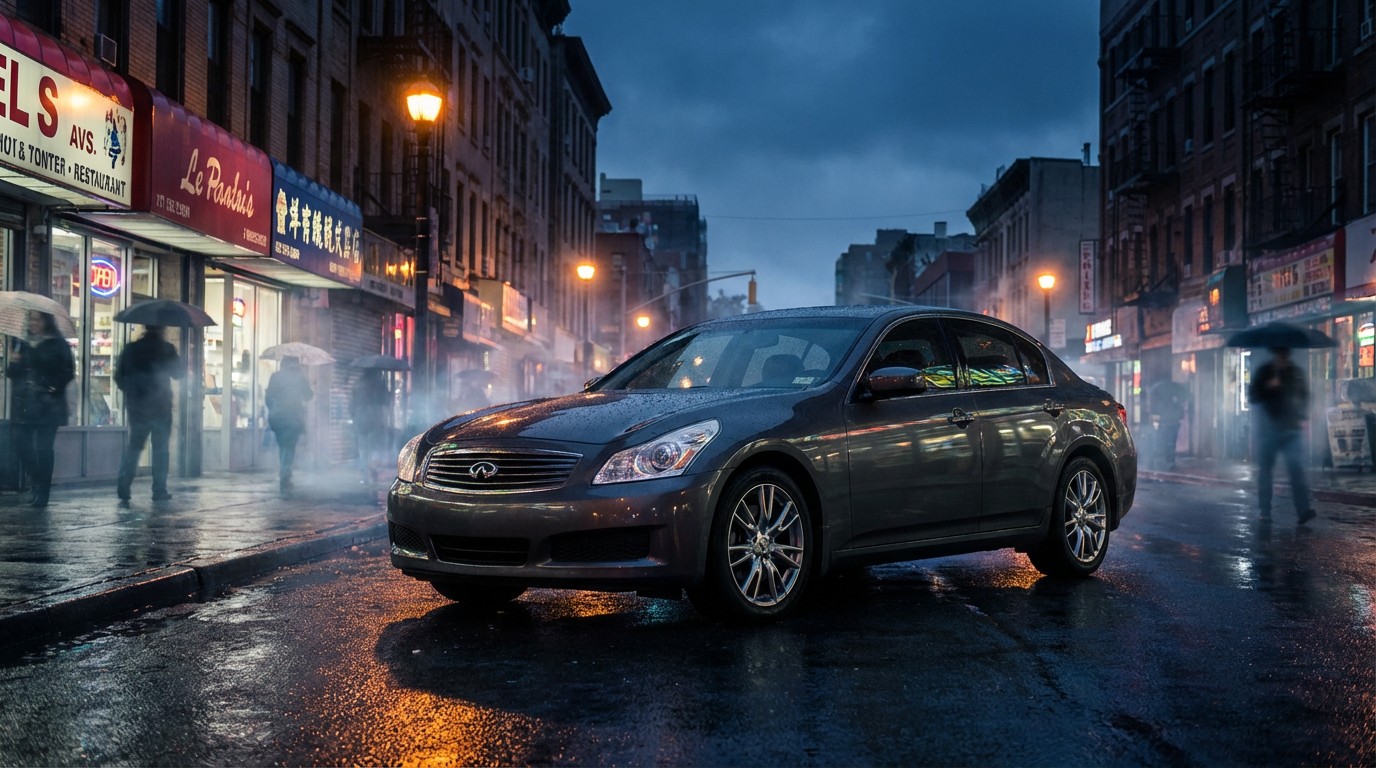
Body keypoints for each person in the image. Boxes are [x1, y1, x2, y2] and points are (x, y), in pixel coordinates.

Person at [5, 311, 75, 507]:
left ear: (46, 321)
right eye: (32, 320)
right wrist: (14, 361)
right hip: (25, 404)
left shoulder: (58, 344)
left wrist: (54, 387)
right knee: (20, 445)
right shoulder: (23, 343)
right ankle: (38, 479)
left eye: (37, 319)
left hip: (48, 404)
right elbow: (12, 374)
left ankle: (43, 490)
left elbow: (68, 371)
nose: (33, 323)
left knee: (44, 448)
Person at [115, 325, 184, 503]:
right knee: (161, 450)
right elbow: (179, 373)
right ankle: (159, 490)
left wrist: (132, 393)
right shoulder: (166, 349)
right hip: (161, 407)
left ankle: (124, 485)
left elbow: (119, 376)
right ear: (161, 329)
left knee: (134, 447)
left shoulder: (131, 349)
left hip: (137, 407)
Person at [1248, 346, 1315, 524]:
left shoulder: (1295, 372)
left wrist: (1302, 414)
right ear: (1275, 355)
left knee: (1296, 469)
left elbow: (1305, 395)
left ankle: (1303, 510)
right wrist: (1268, 387)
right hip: (1268, 429)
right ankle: (1265, 511)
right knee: (1266, 471)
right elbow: (1253, 396)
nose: (1283, 359)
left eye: (1285, 355)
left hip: (1291, 428)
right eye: (1280, 355)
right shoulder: (1265, 372)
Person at [265, 356, 313, 493]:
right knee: (289, 446)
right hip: (293, 417)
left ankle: (284, 473)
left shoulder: (275, 376)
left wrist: (274, 409)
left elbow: (268, 398)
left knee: (284, 445)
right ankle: (285, 475)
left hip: (277, 417)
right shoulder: (299, 377)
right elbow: (309, 395)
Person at [349, 370, 391, 483]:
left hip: (360, 418)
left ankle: (364, 476)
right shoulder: (379, 383)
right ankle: (374, 473)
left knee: (363, 448)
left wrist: (354, 416)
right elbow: (387, 401)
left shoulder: (358, 383)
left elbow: (352, 404)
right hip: (376, 417)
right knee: (375, 448)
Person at [1150, 380, 1189, 471]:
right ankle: (1169, 460)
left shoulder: (1165, 404)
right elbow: (1180, 415)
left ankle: (1167, 460)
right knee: (1170, 443)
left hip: (1168, 424)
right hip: (1171, 424)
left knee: (1166, 442)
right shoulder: (1174, 404)